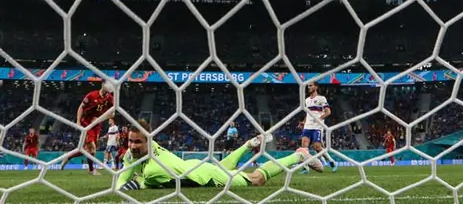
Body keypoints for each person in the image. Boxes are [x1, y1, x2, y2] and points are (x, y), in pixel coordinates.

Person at [116, 119, 322, 191]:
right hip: (195, 166)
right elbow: (125, 176)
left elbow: (144, 182)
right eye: (130, 141)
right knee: (223, 165)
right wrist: (121, 185)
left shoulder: (154, 169)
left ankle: (299, 155)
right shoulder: (132, 154)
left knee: (256, 180)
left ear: (150, 141)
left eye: (138, 142)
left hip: (204, 177)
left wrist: (134, 183)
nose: (132, 146)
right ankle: (249, 144)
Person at [60, 82, 115, 174]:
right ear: (102, 85)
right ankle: (91, 170)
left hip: (97, 125)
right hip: (86, 123)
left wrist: (99, 119)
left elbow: (112, 114)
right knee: (92, 148)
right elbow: (81, 107)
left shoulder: (110, 98)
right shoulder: (92, 95)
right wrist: (78, 121)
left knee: (87, 150)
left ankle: (68, 156)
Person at [297, 84, 338, 172]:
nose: (308, 87)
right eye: (308, 86)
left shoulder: (321, 98)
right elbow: (308, 113)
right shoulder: (307, 100)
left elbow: (328, 112)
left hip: (317, 127)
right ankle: (305, 167)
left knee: (317, 147)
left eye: (311, 85)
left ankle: (331, 161)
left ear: (316, 87)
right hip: (308, 126)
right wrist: (303, 122)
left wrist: (319, 119)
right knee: (304, 147)